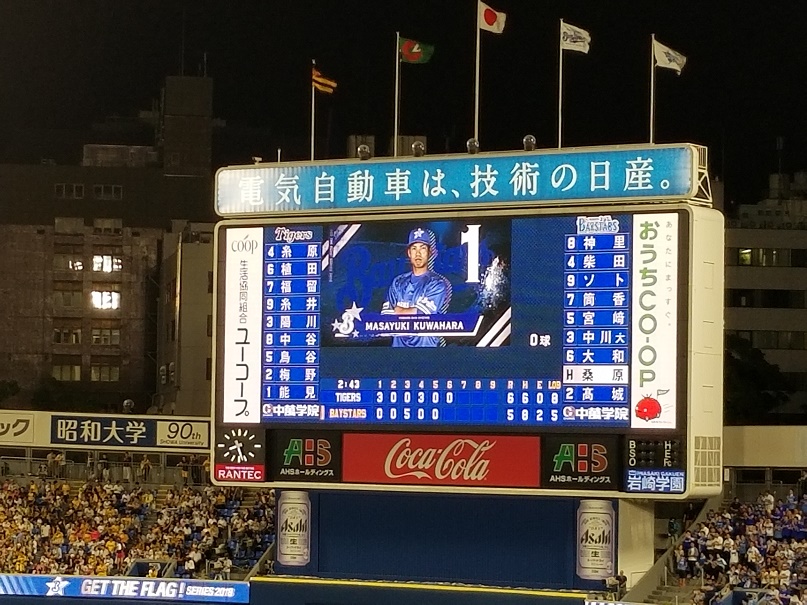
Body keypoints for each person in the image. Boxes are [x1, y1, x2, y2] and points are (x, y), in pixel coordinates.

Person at [381, 227, 452, 347]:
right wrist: (411, 311)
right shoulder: (398, 282)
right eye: (414, 248)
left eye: (422, 248)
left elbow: (422, 316)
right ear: (409, 253)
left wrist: (400, 310)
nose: (418, 253)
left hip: (426, 352)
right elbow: (386, 318)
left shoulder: (437, 283)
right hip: (398, 353)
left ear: (430, 252)